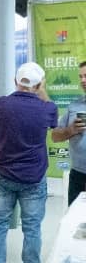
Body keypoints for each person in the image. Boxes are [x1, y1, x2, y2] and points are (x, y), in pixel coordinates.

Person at [0, 61, 58, 263]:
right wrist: (41, 90)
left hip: (3, 176)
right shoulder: (47, 109)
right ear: (40, 84)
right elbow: (52, 122)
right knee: (32, 229)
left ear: (15, 81)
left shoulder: (1, 104)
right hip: (34, 179)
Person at [49, 60, 86, 205]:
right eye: (80, 76)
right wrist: (70, 130)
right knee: (75, 217)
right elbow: (55, 136)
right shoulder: (74, 106)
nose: (83, 80)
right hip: (78, 175)